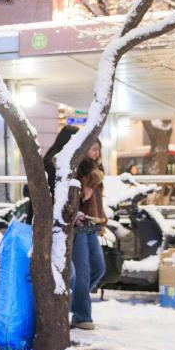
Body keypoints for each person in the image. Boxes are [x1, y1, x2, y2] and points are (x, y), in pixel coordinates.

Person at [70, 139, 107, 330]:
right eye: (93, 149)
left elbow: (97, 201)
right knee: (82, 273)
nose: (96, 153)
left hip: (92, 224)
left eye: (98, 149)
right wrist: (91, 181)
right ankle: (82, 316)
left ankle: (72, 302)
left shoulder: (95, 171)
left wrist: (102, 220)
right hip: (80, 225)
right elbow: (80, 196)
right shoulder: (81, 170)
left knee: (99, 268)